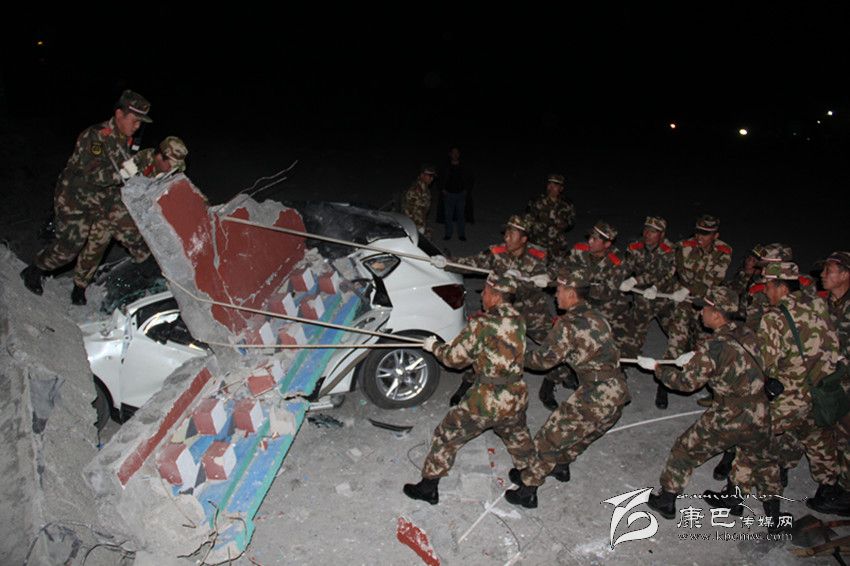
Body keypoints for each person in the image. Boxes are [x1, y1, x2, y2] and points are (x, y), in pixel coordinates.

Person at [643, 287, 785, 532]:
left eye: (705, 309)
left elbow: (686, 383)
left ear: (717, 314)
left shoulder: (714, 345)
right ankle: (773, 517)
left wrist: (659, 369)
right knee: (763, 461)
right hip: (760, 411)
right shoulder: (747, 332)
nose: (701, 313)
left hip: (730, 414)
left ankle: (666, 500)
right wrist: (697, 357)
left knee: (685, 450)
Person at [403, 273, 535, 505]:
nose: (482, 295)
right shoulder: (519, 320)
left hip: (488, 399)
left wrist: (435, 347)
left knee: (447, 434)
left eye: (486, 291)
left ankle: (428, 488)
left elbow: (454, 359)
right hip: (515, 395)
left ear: (496, 296)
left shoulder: (482, 324)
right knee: (519, 439)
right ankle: (529, 490)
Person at [504, 268, 630, 509]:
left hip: (596, 394)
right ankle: (560, 467)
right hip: (617, 393)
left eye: (560, 290)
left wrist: (515, 355)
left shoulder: (568, 324)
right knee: (579, 435)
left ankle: (528, 490)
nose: (555, 295)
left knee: (548, 438)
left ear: (572, 294)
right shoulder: (597, 316)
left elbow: (543, 360)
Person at [20, 90, 155, 305]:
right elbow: (97, 176)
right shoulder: (95, 137)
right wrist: (134, 165)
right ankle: (35, 269)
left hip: (105, 196)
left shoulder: (125, 138)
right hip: (76, 198)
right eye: (135, 120)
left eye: (141, 122)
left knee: (109, 236)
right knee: (69, 248)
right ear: (119, 114)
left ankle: (81, 285)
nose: (138, 126)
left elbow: (121, 173)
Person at [757, 262, 849, 516]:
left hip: (790, 397)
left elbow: (766, 363)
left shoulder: (773, 317)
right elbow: (833, 345)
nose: (765, 290)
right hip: (819, 391)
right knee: (817, 438)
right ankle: (829, 491)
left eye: (768, 286)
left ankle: (768, 505)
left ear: (781, 287)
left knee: (757, 438)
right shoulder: (818, 304)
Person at [431, 215, 550, 406]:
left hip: (531, 311)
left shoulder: (539, 255)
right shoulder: (497, 252)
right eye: (506, 232)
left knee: (553, 344)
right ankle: (468, 382)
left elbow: (556, 275)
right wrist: (447, 262)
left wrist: (540, 278)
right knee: (481, 343)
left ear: (524, 239)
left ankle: (552, 382)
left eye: (512, 233)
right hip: (501, 312)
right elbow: (472, 263)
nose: (506, 237)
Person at [539, 221, 629, 409]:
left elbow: (608, 292)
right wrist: (547, 276)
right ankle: (549, 382)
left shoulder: (616, 261)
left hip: (603, 308)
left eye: (596, 239)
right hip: (578, 303)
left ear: (607, 244)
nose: (590, 241)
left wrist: (579, 287)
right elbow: (562, 267)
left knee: (593, 348)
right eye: (590, 237)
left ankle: (582, 378)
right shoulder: (579, 250)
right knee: (566, 340)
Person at [658, 214, 732, 409]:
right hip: (684, 302)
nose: (700, 237)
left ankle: (714, 390)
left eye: (705, 234)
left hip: (706, 304)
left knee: (704, 347)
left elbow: (713, 279)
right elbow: (670, 271)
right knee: (675, 342)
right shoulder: (684, 246)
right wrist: (658, 287)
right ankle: (663, 385)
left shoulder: (724, 251)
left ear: (715, 235)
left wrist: (688, 289)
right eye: (698, 232)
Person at [817, 251, 850, 515]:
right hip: (829, 381)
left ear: (845, 274)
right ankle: (836, 483)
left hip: (846, 383)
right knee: (833, 434)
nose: (822, 275)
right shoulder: (824, 302)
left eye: (828, 271)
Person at [619, 216, 678, 358]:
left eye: (653, 232)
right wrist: (619, 279)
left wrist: (635, 280)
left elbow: (665, 273)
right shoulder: (634, 247)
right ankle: (627, 360)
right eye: (646, 230)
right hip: (642, 298)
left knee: (678, 336)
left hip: (664, 298)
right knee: (632, 337)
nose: (647, 235)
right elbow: (625, 268)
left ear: (662, 235)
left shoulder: (670, 250)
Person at [525, 173, 575, 262]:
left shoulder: (566, 204)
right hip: (537, 243)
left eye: (555, 185)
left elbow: (571, 222)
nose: (551, 188)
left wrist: (565, 224)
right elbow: (527, 220)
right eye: (549, 184)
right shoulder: (536, 201)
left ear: (561, 188)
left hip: (557, 245)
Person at [438, 147, 474, 241]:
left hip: (460, 194)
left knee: (461, 215)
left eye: (457, 153)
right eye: (453, 153)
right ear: (450, 154)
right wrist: (442, 189)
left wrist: (467, 190)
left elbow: (470, 178)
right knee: (448, 215)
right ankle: (448, 234)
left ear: (459, 154)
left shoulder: (464, 166)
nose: (455, 155)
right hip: (448, 194)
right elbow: (440, 178)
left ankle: (461, 234)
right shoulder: (446, 166)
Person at [401, 164, 436, 237]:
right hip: (414, 226)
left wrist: (424, 226)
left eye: (433, 176)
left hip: (420, 224)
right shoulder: (415, 190)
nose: (432, 178)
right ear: (422, 175)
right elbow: (408, 212)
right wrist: (417, 228)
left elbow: (423, 210)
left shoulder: (425, 189)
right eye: (429, 176)